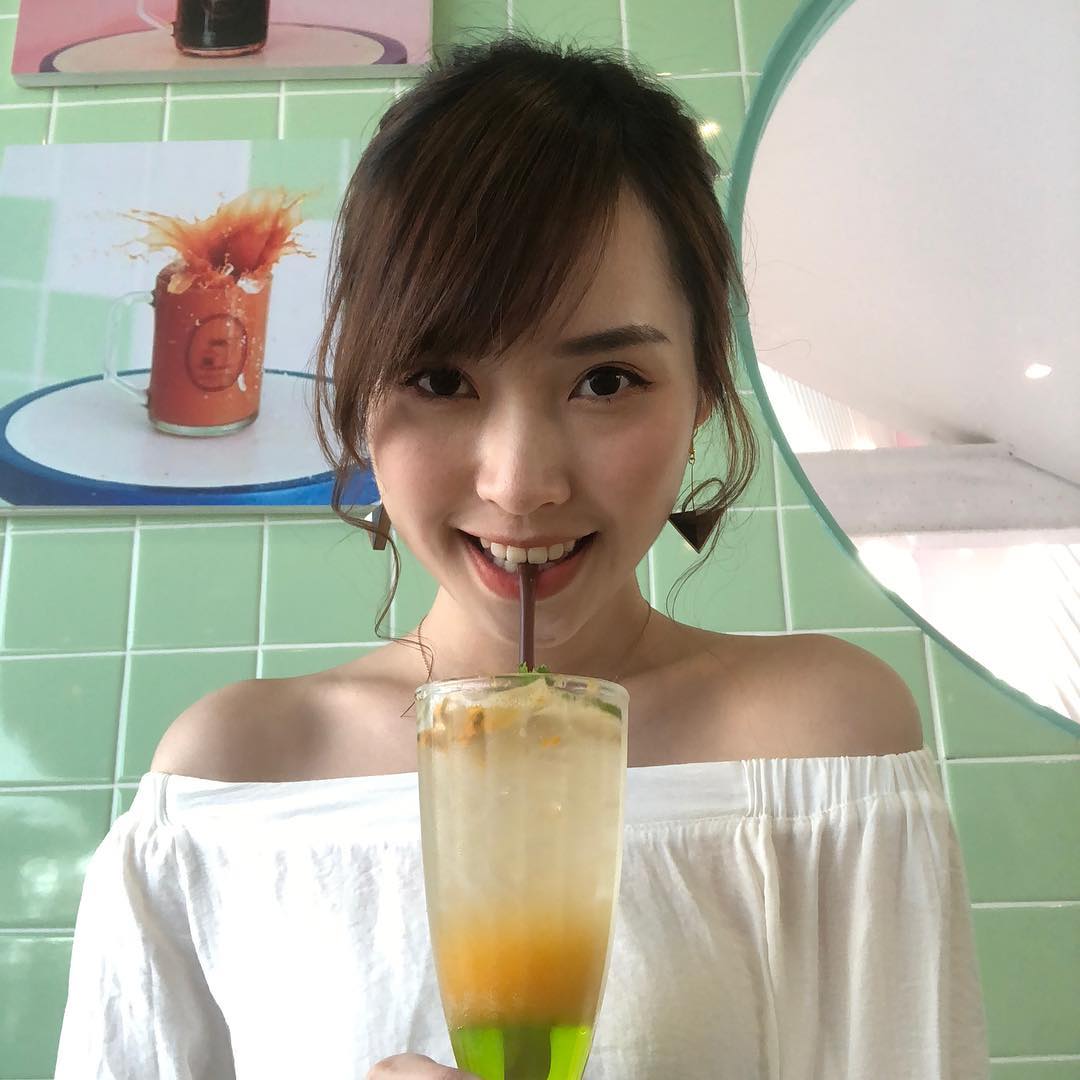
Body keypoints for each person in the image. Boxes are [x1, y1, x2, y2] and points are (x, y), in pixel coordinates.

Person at [54, 34, 989, 1080]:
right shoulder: (230, 779)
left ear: (703, 392)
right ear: (359, 393)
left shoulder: (824, 744)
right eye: (440, 380)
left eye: (606, 382)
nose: (519, 482)